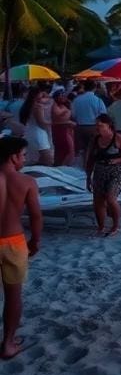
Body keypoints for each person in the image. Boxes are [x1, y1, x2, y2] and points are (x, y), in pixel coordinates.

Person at [0, 136, 41, 360]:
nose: (24, 159)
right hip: (14, 242)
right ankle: (8, 343)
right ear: (13, 156)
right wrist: (35, 241)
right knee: (13, 295)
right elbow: (36, 216)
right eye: (23, 155)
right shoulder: (26, 182)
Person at [86, 114, 121, 237]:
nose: (97, 128)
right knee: (98, 201)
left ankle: (115, 225)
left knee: (110, 198)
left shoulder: (118, 138)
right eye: (96, 125)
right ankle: (101, 227)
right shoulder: (95, 140)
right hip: (100, 171)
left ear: (109, 125)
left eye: (100, 125)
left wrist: (117, 161)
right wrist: (88, 177)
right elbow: (90, 159)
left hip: (117, 171)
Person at [72, 80, 106, 165]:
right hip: (93, 126)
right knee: (92, 148)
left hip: (79, 127)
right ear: (94, 88)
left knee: (82, 149)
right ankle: (90, 165)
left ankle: (84, 165)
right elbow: (103, 114)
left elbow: (73, 114)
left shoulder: (77, 100)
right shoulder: (98, 100)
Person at [20, 86, 53, 166]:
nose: (43, 95)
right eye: (41, 93)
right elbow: (41, 121)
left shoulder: (27, 105)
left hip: (30, 131)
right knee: (47, 158)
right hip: (38, 132)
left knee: (36, 156)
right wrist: (52, 123)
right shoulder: (38, 106)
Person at [50, 90, 76, 167]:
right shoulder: (54, 105)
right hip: (60, 129)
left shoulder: (65, 105)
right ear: (57, 97)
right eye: (61, 95)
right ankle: (60, 166)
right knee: (65, 149)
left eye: (64, 95)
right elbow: (58, 116)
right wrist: (68, 122)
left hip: (67, 129)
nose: (63, 97)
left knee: (70, 149)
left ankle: (65, 166)